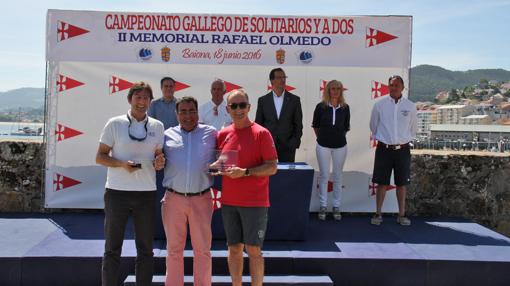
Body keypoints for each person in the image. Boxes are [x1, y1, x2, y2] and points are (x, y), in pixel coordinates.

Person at [96, 82, 165, 286]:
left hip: (146, 193)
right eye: (138, 97)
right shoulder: (114, 123)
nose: (142, 102)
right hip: (117, 192)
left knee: (145, 249)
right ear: (130, 100)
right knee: (112, 248)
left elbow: (158, 158)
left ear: (150, 102)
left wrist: (160, 162)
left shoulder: (157, 126)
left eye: (146, 98)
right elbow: (100, 156)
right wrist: (121, 165)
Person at [211, 89, 278, 286]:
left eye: (242, 105)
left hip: (255, 202)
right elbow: (221, 163)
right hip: (230, 202)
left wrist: (246, 172)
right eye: (234, 106)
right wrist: (216, 167)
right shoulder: (223, 134)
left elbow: (272, 167)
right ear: (227, 109)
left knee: (254, 250)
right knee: (233, 249)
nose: (238, 109)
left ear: (249, 107)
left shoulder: (262, 133)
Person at [161, 96, 217, 286]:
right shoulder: (167, 135)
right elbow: (156, 160)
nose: (188, 116)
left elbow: (226, 154)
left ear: (197, 112)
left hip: (201, 198)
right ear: (176, 114)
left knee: (202, 250)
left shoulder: (211, 133)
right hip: (173, 199)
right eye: (183, 112)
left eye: (191, 111)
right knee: (174, 250)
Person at [369, 75, 417, 226]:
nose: (393, 88)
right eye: (391, 85)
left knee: (401, 183)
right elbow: (373, 126)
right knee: (381, 183)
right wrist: (385, 139)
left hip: (402, 150)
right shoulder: (379, 105)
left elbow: (413, 128)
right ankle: (378, 214)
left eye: (397, 85)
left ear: (403, 87)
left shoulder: (410, 106)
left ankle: (401, 215)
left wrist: (403, 140)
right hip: (384, 149)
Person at [312, 80, 350, 221]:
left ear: (341, 91)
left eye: (338, 89)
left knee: (338, 175)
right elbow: (315, 126)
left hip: (340, 146)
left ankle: (336, 206)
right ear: (328, 90)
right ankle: (323, 205)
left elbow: (346, 127)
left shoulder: (346, 108)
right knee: (324, 175)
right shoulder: (320, 107)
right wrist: (323, 138)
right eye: (332, 88)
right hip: (323, 146)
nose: (335, 91)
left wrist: (336, 138)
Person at [255, 68, 303, 162]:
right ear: (272, 80)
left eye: (284, 77)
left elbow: (298, 124)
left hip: (288, 146)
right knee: (268, 174)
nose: (283, 80)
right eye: (279, 77)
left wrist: (294, 142)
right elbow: (259, 124)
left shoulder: (294, 100)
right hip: (268, 145)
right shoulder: (263, 100)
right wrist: (260, 143)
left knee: (286, 176)